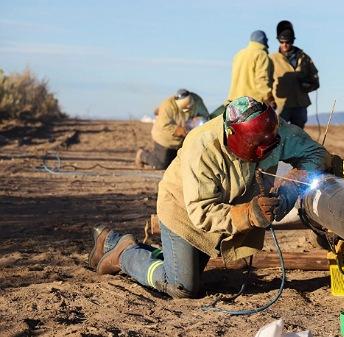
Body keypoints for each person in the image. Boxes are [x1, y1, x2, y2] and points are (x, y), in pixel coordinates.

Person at [90, 96, 329, 298]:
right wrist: (249, 214)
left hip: (224, 210)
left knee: (186, 267)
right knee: (182, 286)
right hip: (184, 210)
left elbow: (316, 154)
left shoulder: (274, 131)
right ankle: (124, 254)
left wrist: (288, 190)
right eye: (254, 148)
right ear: (232, 136)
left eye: (268, 146)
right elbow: (201, 212)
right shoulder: (202, 147)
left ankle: (110, 240)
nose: (262, 154)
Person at [135, 89, 209, 169]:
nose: (188, 108)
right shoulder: (167, 106)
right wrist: (179, 130)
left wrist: (198, 120)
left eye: (189, 105)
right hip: (164, 138)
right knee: (161, 164)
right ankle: (142, 155)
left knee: (180, 163)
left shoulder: (197, 100)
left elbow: (205, 116)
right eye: (185, 107)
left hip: (184, 139)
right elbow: (164, 126)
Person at [270, 20, 319, 129]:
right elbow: (266, 81)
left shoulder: (304, 58)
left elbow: (315, 80)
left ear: (292, 41)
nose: (285, 45)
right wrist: (269, 100)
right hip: (280, 105)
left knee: (298, 135)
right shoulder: (272, 59)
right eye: (282, 42)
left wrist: (308, 86)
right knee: (278, 134)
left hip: (300, 104)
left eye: (287, 42)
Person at [227, 30, 276, 109]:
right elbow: (262, 79)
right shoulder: (261, 55)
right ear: (264, 41)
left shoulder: (239, 54)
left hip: (235, 102)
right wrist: (269, 98)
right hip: (252, 103)